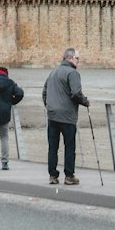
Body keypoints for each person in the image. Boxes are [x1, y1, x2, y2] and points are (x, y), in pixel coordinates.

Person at [42, 47, 89, 186]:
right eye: (77, 58)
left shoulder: (53, 72)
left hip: (52, 115)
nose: (78, 61)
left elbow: (44, 92)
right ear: (70, 58)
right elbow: (76, 93)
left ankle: (52, 175)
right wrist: (85, 101)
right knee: (69, 147)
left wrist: (50, 107)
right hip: (67, 116)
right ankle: (69, 176)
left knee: (53, 147)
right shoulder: (72, 73)